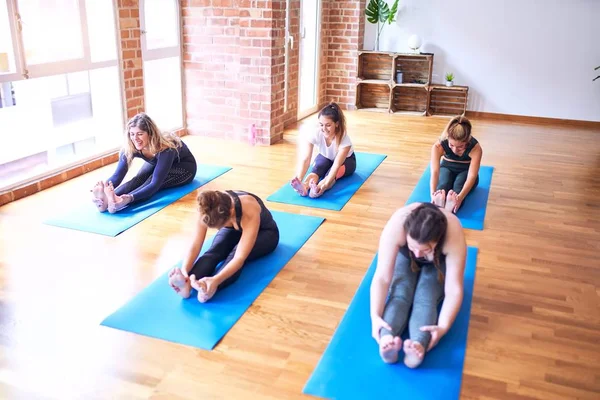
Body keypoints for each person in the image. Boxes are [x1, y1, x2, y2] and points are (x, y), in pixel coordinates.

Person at [370, 202, 466, 368]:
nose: (417, 254)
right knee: (400, 294)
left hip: (437, 262)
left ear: (437, 241)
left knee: (425, 298)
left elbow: (454, 289)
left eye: (425, 250)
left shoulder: (453, 233)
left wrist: (443, 327)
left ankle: (417, 346)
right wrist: (375, 317)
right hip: (404, 258)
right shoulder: (397, 225)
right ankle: (386, 340)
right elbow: (382, 277)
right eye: (413, 247)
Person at [168, 189, 279, 303]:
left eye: (219, 226)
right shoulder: (207, 206)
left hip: (266, 233)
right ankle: (187, 286)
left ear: (230, 213)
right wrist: (185, 270)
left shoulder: (249, 209)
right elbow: (196, 244)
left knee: (233, 255)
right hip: (235, 229)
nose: (217, 230)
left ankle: (208, 289)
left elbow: (239, 258)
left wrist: (216, 280)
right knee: (214, 251)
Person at [91, 112, 197, 213]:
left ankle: (119, 202)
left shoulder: (166, 148)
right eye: (132, 134)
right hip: (158, 163)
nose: (135, 138)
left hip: (185, 169)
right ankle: (106, 201)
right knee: (138, 179)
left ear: (150, 134)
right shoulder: (130, 146)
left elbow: (155, 184)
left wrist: (130, 198)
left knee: (152, 181)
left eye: (140, 134)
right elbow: (118, 175)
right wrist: (105, 189)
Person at [290, 102, 356, 198]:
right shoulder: (316, 133)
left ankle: (318, 189)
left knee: (331, 174)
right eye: (321, 125)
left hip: (347, 161)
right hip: (325, 156)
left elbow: (336, 165)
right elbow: (306, 158)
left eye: (328, 125)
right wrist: (299, 178)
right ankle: (305, 186)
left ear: (337, 124)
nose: (324, 129)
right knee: (316, 170)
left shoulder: (344, 139)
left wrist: (324, 186)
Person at [429, 115, 482, 213]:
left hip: (465, 171)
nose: (454, 149)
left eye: (460, 147)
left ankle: (451, 206)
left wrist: (460, 198)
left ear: (467, 141)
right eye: (451, 145)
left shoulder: (475, 148)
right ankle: (440, 202)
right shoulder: (438, 146)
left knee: (458, 187)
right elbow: (435, 172)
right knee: (443, 186)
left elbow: (472, 176)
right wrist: (433, 193)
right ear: (448, 138)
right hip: (446, 168)